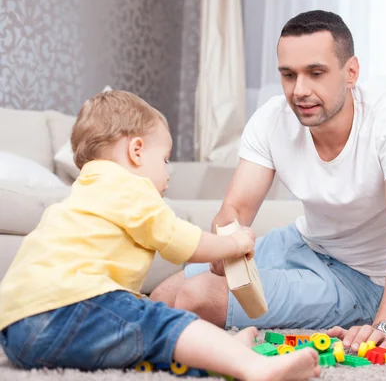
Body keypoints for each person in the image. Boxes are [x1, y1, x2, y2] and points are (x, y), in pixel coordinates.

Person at [152, 9, 386, 353]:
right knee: (162, 297)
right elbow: (236, 209)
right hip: (303, 242)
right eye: (288, 75)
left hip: (361, 278)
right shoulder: (272, 119)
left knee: (194, 297)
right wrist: (223, 245)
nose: (299, 90)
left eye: (315, 73)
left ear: (351, 73)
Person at [0, 91, 320, 381]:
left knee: (138, 334)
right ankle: (252, 366)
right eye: (164, 159)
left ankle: (220, 352)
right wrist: (233, 243)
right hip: (68, 309)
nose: (167, 173)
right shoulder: (129, 186)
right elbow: (181, 241)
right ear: (137, 151)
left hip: (16, 332)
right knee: (159, 322)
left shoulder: (78, 197)